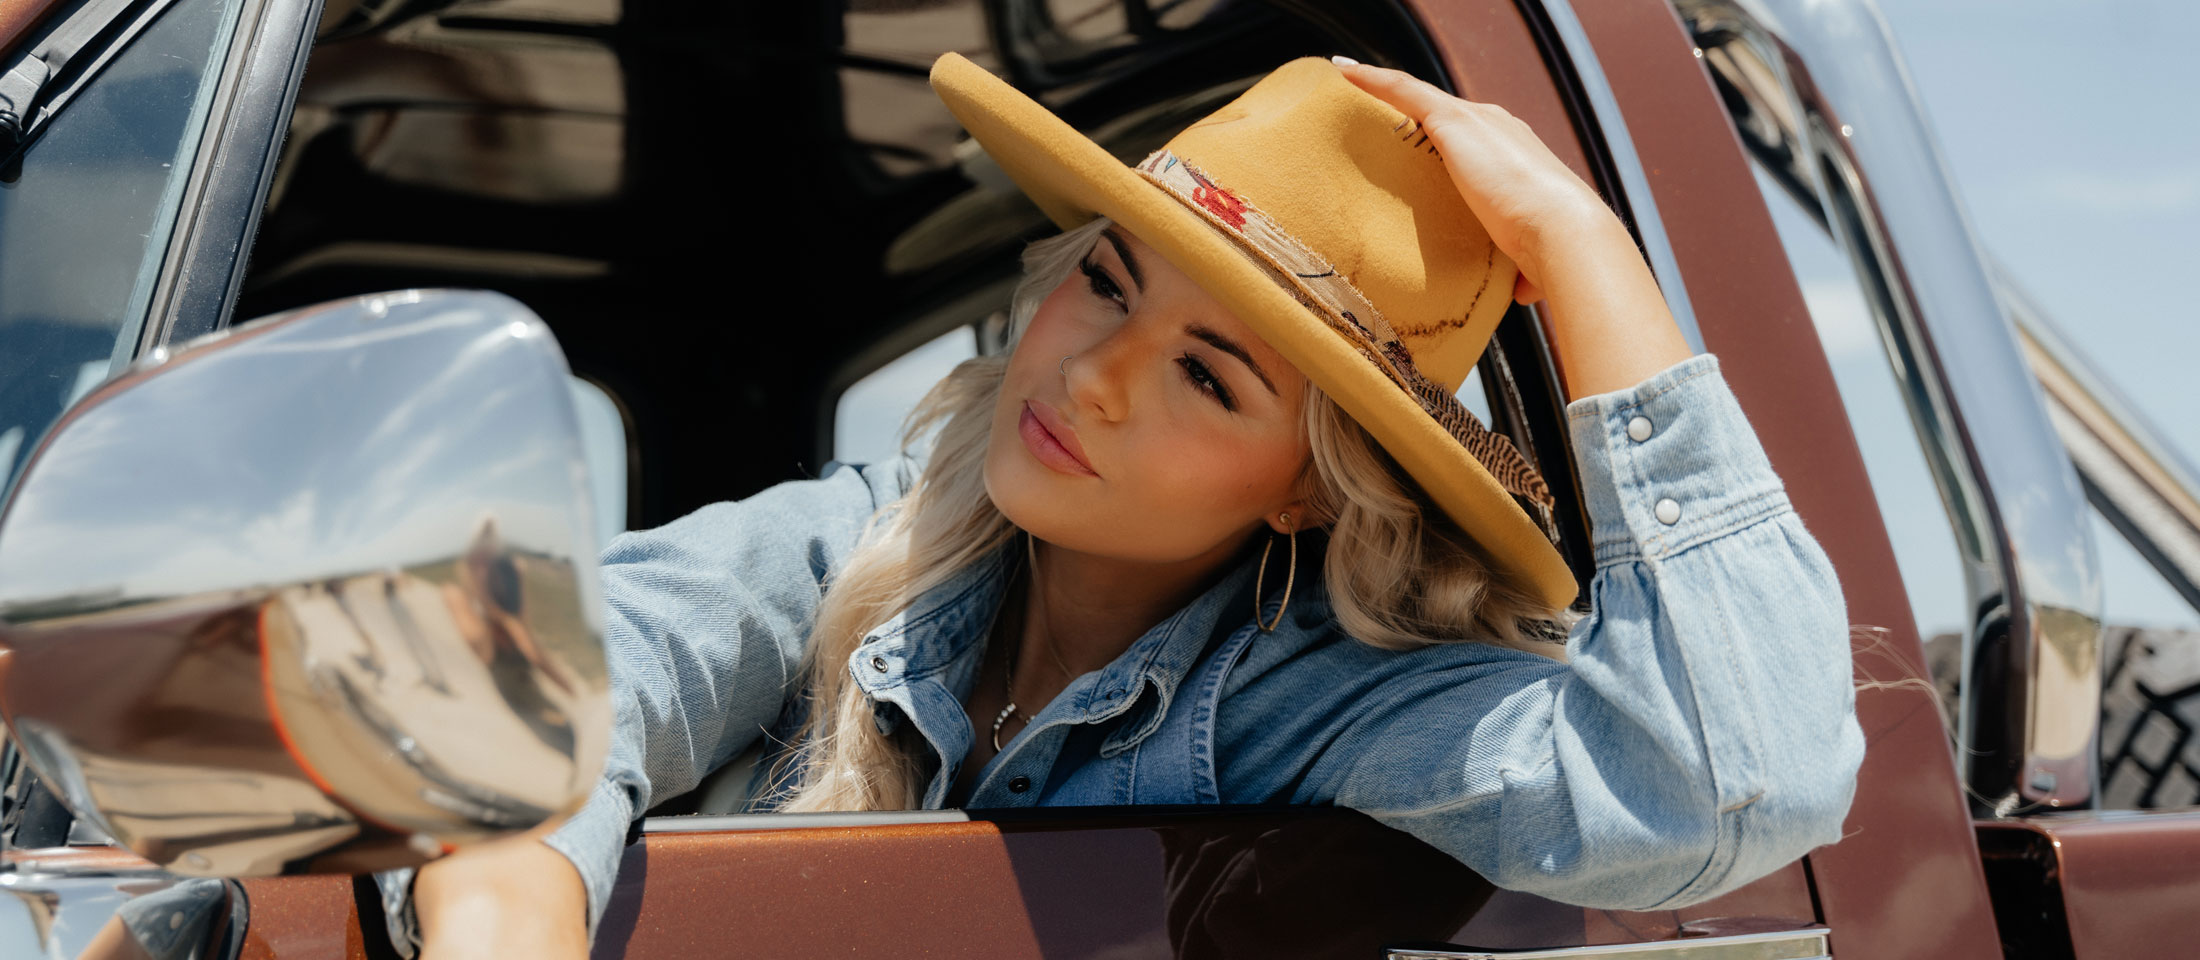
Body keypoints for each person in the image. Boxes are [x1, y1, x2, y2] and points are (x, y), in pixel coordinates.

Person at [382, 54, 1865, 958]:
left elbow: (1728, 783)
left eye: (1208, 379)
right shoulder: (868, 538)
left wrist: (1586, 249)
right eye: (1105, 280)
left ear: (1305, 493)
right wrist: (511, 892)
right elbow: (564, 664)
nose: (1091, 378)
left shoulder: (1316, 705)